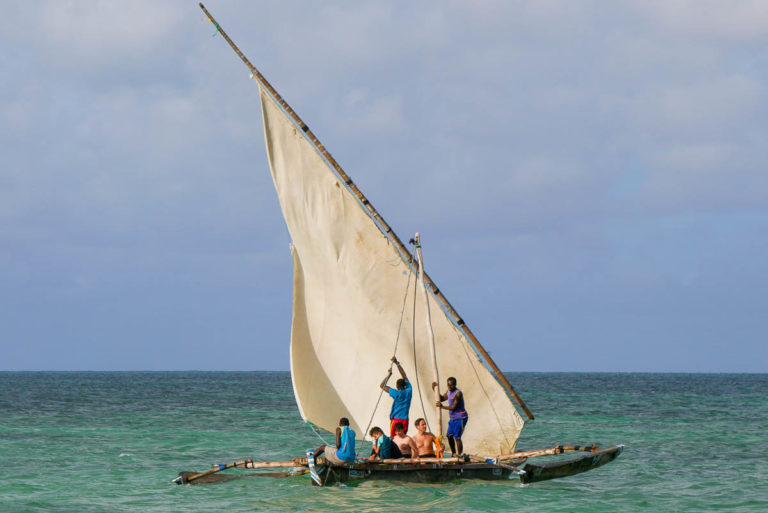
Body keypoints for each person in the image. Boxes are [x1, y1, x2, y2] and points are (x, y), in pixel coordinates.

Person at [433, 377, 468, 456]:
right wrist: (434, 389)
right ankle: (453, 453)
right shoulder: (448, 392)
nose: (449, 387)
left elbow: (453, 407)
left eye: (451, 385)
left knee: (457, 437)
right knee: (449, 436)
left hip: (460, 418)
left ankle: (459, 455)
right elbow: (442, 398)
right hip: (452, 418)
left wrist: (442, 407)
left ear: (455, 385)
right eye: (448, 385)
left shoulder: (458, 393)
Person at [380, 356, 412, 436]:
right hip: (405, 419)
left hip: (396, 420)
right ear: (405, 385)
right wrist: (397, 363)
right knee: (403, 438)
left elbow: (382, 385)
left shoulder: (396, 393)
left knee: (394, 439)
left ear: (397, 386)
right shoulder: (409, 390)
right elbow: (404, 376)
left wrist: (389, 375)